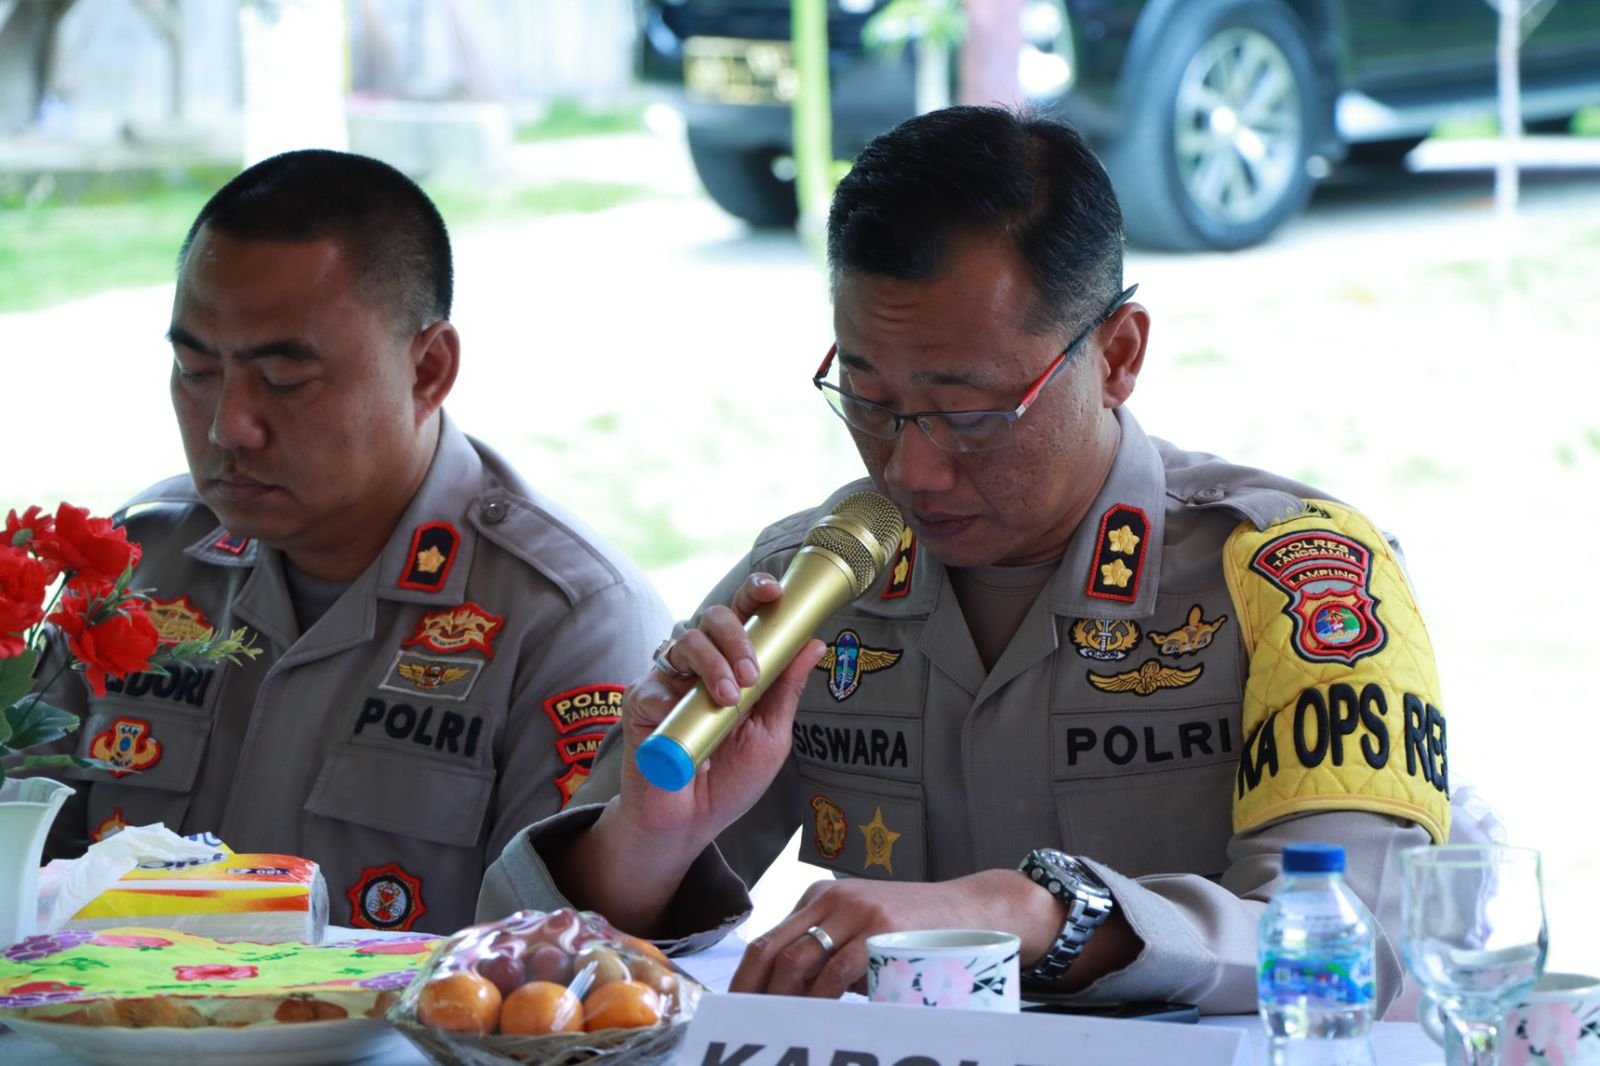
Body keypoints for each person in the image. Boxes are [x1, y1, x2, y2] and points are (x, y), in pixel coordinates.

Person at [476, 107, 1456, 1013]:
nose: (913, 468)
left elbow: (1353, 945)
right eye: (866, 399)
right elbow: (519, 977)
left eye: (970, 412)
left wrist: (1033, 912)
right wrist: (649, 839)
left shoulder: (1292, 575)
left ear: (1117, 352)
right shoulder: (810, 584)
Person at [29, 149, 671, 936]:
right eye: (196, 368)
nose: (229, 425)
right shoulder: (140, 563)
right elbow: (19, 863)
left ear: (428, 369)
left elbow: (561, 972)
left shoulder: (567, 617)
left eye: (286, 380)